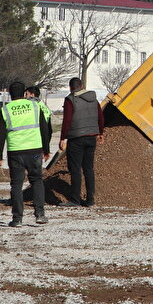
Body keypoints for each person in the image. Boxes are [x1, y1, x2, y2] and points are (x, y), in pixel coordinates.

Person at [0, 80, 52, 227]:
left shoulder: (6, 109)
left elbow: (0, 134)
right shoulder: (34, 106)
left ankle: (17, 219)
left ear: (10, 94)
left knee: (16, 185)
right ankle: (40, 214)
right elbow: (44, 129)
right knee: (37, 181)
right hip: (34, 149)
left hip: (15, 152)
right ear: (24, 93)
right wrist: (46, 149)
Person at [60, 77, 104, 207]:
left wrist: (63, 138)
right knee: (88, 168)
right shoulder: (94, 99)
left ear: (70, 87)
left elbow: (67, 120)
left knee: (75, 169)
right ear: (82, 86)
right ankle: (90, 200)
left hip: (76, 138)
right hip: (91, 137)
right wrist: (100, 132)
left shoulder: (70, 100)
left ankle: (75, 200)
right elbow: (100, 116)